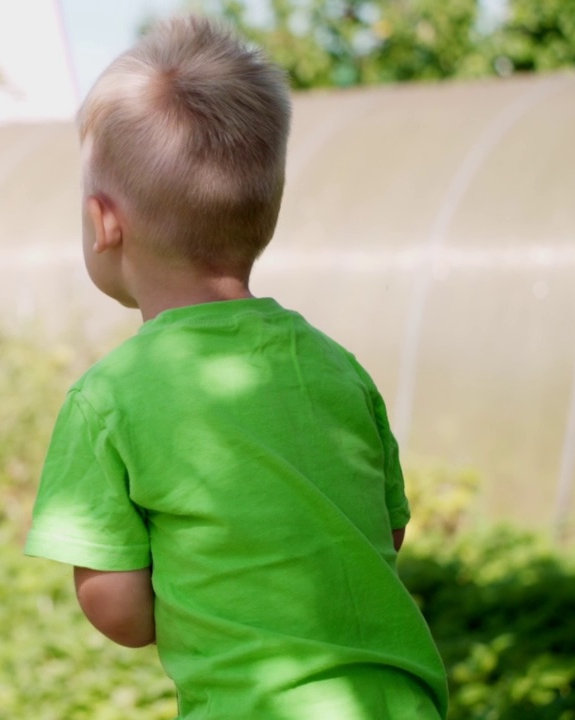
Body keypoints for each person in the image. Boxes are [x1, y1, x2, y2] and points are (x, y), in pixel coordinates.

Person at [23, 15, 448, 719]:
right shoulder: (337, 368)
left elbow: (121, 611)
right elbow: (387, 534)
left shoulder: (108, 398)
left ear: (104, 222)